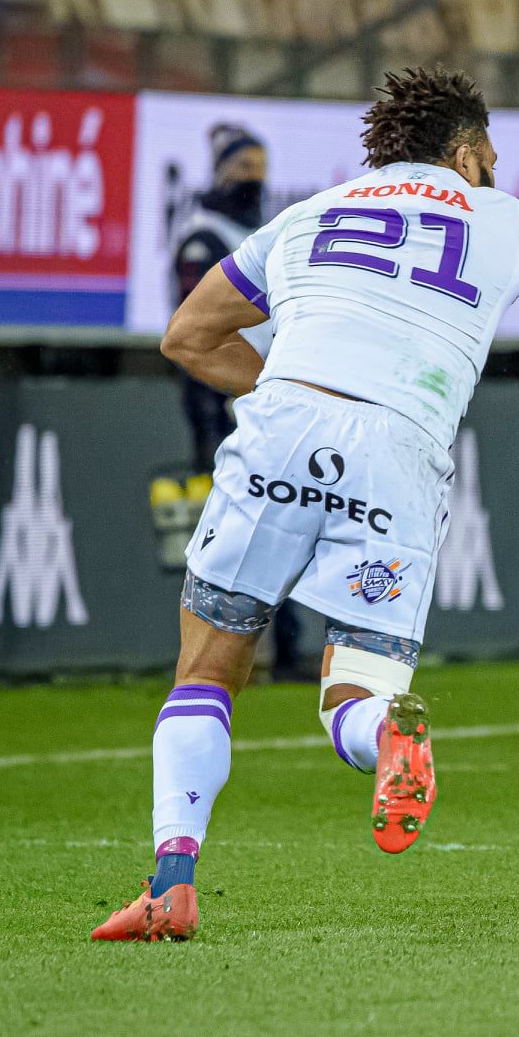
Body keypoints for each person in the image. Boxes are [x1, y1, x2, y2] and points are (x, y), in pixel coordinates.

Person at [92, 66, 519, 941]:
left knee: (207, 671)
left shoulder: (310, 215)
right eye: (489, 157)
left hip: (282, 423)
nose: (493, 172)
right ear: (464, 153)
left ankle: (173, 884)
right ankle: (387, 736)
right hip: (400, 450)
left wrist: (300, 396)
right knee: (352, 697)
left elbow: (186, 335)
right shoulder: (503, 222)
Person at [170, 124, 309, 683]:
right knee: (230, 533)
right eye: (243, 166)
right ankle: (215, 653)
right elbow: (192, 330)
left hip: (271, 396)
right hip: (222, 393)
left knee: (288, 522)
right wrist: (217, 403)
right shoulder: (203, 237)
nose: (254, 178)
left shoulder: (265, 233)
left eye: (260, 166)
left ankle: (286, 650)